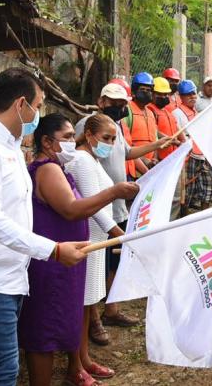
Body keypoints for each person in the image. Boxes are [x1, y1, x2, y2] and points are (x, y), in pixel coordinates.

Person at [0, 67, 89, 385]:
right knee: (3, 373)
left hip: (7, 280)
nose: (38, 114)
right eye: (38, 105)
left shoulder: (8, 147)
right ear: (21, 104)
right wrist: (52, 250)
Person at [19, 114, 139, 386]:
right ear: (48, 142)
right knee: (44, 333)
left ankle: (74, 369)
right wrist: (115, 192)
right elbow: (71, 209)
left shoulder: (56, 167)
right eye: (68, 137)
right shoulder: (48, 169)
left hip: (63, 262)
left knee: (59, 325)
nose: (75, 141)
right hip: (52, 264)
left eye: (74, 136)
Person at [75, 82, 173, 343]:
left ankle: (112, 310)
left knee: (115, 262)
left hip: (116, 207)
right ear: (101, 100)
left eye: (122, 103)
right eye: (113, 102)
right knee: (96, 266)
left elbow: (127, 153)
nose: (119, 106)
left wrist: (156, 146)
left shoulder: (117, 126)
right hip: (98, 212)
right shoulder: (89, 126)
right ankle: (93, 321)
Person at [64, 114, 126, 382]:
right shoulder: (81, 161)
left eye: (113, 139)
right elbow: (94, 205)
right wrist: (119, 234)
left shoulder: (93, 160)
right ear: (89, 135)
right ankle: (74, 367)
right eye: (106, 138)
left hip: (98, 242)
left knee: (88, 303)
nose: (110, 144)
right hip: (87, 239)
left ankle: (84, 360)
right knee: (80, 305)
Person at [172, 79, 212, 217]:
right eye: (187, 95)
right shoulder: (177, 114)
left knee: (208, 187)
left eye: (193, 94)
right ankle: (183, 220)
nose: (192, 97)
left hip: (202, 155)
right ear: (181, 96)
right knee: (187, 193)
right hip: (189, 158)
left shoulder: (195, 111)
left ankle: (204, 217)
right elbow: (178, 137)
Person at [125, 72, 159, 170]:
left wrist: (154, 159)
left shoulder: (151, 113)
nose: (146, 92)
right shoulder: (127, 110)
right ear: (134, 93)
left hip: (150, 168)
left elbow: (155, 141)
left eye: (149, 90)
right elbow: (125, 144)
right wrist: (144, 161)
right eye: (142, 89)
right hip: (132, 169)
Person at [147, 77, 184, 160]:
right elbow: (154, 132)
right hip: (159, 159)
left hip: (172, 157)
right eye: (159, 94)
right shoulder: (150, 110)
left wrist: (183, 141)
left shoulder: (167, 112)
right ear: (152, 94)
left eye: (165, 94)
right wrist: (174, 141)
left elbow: (177, 129)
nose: (163, 97)